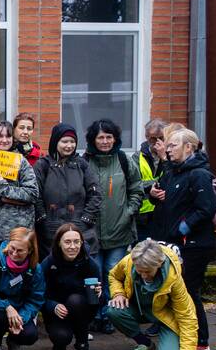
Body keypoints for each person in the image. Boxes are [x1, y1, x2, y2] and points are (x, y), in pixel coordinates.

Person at [149, 128, 216, 350]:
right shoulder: (171, 171)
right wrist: (153, 194)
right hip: (172, 242)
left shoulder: (199, 174)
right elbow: (161, 196)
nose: (168, 149)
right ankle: (183, 335)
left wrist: (182, 228)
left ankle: (200, 340)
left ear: (188, 147)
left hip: (194, 245)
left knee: (188, 291)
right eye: (168, 146)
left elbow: (206, 208)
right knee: (176, 289)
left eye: (173, 145)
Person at [84, 119, 144, 332]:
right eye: (100, 137)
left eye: (109, 137)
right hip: (92, 233)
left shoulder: (124, 160)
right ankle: (95, 315)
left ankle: (110, 315)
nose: (105, 141)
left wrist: (128, 213)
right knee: (95, 274)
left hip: (120, 231)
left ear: (115, 138)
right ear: (93, 139)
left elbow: (137, 189)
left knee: (113, 273)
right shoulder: (85, 161)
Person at [107, 238, 197, 350]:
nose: (143, 275)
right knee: (113, 310)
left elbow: (187, 315)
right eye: (139, 271)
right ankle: (145, 344)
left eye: (148, 271)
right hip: (138, 309)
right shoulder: (129, 261)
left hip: (165, 316)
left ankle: (169, 339)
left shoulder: (174, 278)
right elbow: (114, 276)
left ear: (159, 263)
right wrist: (118, 294)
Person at [0, 120, 40, 269]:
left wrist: (2, 187)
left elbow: (32, 193)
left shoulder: (21, 162)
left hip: (16, 235)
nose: (4, 140)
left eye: (8, 136)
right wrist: (1, 198)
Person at [33, 123, 101, 256]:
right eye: (64, 141)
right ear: (55, 142)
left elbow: (95, 194)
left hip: (81, 229)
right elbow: (36, 195)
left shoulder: (82, 165)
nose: (69, 145)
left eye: (72, 141)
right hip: (51, 231)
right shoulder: (43, 165)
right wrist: (44, 220)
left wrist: (85, 219)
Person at [40, 223, 100, 350]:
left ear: (81, 243)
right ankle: (59, 343)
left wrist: (98, 294)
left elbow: (96, 303)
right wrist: (52, 306)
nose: (72, 246)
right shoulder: (48, 264)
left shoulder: (90, 264)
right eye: (67, 242)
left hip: (80, 310)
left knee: (76, 299)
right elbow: (37, 295)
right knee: (61, 337)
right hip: (57, 313)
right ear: (59, 243)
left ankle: (82, 347)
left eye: (76, 242)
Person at [134, 118, 167, 240]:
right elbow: (133, 183)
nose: (157, 142)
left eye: (161, 138)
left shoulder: (172, 155)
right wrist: (151, 186)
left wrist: (164, 157)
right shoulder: (138, 157)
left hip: (165, 214)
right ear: (147, 137)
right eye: (153, 138)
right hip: (142, 217)